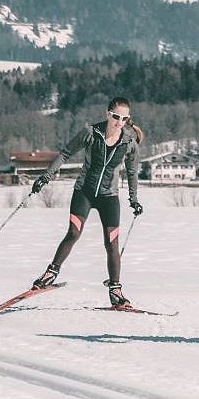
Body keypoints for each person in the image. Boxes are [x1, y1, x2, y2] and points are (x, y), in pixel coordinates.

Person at [27, 97, 146, 309]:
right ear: (107, 114)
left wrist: (134, 199)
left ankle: (115, 290)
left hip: (109, 196)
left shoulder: (129, 142)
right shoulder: (91, 133)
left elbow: (132, 172)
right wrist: (46, 176)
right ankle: (50, 273)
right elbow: (65, 154)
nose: (119, 121)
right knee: (73, 233)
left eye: (124, 118)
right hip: (84, 192)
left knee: (112, 244)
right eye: (116, 116)